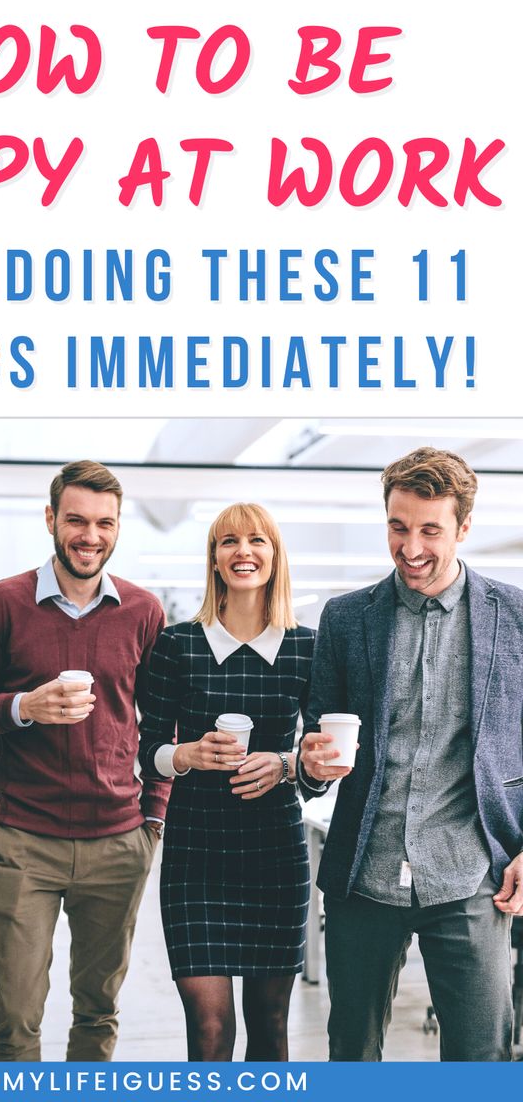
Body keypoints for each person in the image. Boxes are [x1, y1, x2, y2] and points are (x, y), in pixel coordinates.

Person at [298, 446, 523, 1062]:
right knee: (352, 1051)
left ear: (464, 527)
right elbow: (313, 742)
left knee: (482, 1056)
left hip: (470, 875)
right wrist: (310, 766)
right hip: (364, 874)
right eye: (398, 527)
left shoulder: (515, 617)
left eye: (431, 529)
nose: (411, 546)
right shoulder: (346, 619)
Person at [0, 459, 170, 1062]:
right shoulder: (3, 603)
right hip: (26, 839)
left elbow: (162, 723)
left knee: (98, 1010)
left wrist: (153, 816)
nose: (90, 536)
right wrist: (24, 706)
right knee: (14, 1013)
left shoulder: (143, 611)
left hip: (118, 840)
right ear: (52, 519)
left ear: (117, 527)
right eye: (76, 520)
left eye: (104, 523)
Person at [138, 503, 314, 1061]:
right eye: (229, 542)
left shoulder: (306, 648)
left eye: (257, 540)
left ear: (274, 556)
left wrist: (285, 764)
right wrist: (186, 755)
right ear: (213, 559)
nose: (244, 551)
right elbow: (149, 755)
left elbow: (323, 762)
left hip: (276, 854)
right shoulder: (177, 645)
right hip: (197, 854)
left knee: (271, 1023)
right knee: (210, 1030)